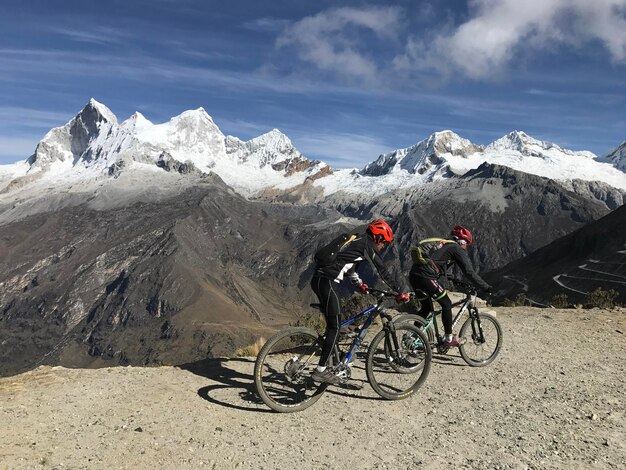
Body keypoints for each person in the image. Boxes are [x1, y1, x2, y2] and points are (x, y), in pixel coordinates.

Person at [310, 219, 410, 384]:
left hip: (318, 279)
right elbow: (382, 269)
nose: (383, 246)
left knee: (335, 323)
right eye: (384, 242)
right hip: (329, 282)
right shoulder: (367, 244)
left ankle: (336, 358)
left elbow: (348, 264)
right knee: (335, 327)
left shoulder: (356, 240)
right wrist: (399, 291)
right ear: (378, 238)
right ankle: (320, 371)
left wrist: (359, 284)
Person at [409, 225, 492, 347]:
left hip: (414, 276)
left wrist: (457, 281)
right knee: (446, 304)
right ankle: (449, 338)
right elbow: (469, 272)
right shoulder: (456, 248)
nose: (466, 247)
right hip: (426, 278)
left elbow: (442, 268)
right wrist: (485, 286)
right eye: (466, 244)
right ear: (462, 241)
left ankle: (411, 336)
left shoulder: (444, 246)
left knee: (426, 308)